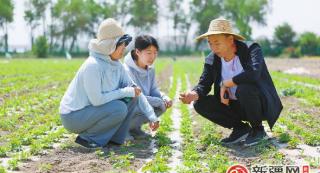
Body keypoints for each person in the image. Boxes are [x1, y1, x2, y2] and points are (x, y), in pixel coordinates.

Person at [179, 18, 283, 146]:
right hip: (233, 106)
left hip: (258, 104)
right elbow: (204, 84)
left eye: (217, 43)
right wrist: (194, 94)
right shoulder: (212, 59)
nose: (213, 48)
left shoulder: (251, 49)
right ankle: (240, 128)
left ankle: (258, 130)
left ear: (230, 39)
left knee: (244, 88)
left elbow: (253, 74)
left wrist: (226, 83)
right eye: (210, 43)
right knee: (200, 103)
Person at [59, 18, 159, 148]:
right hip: (73, 116)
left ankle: (114, 139)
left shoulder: (117, 65)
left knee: (132, 97)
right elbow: (97, 100)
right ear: (110, 44)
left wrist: (152, 117)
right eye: (121, 44)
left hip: (91, 111)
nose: (124, 48)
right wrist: (125, 92)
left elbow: (136, 91)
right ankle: (88, 139)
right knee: (119, 108)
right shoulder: (93, 65)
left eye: (125, 44)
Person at [123, 35, 172, 138]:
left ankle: (134, 129)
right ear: (137, 52)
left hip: (143, 103)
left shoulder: (150, 69)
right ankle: (123, 131)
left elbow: (153, 89)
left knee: (162, 106)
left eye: (155, 53)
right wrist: (158, 101)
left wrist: (164, 98)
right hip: (127, 107)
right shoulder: (127, 70)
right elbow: (136, 97)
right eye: (148, 53)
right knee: (156, 104)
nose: (152, 57)